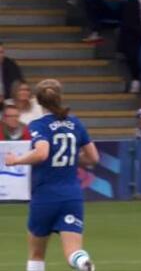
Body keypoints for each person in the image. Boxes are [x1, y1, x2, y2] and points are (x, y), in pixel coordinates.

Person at [3, 79, 100, 271]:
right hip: (72, 195)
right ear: (60, 98)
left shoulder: (38, 125)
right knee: (73, 250)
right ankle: (82, 263)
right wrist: (71, 157)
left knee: (36, 254)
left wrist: (17, 160)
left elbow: (42, 153)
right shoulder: (75, 124)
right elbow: (93, 158)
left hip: (45, 196)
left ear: (38, 101)